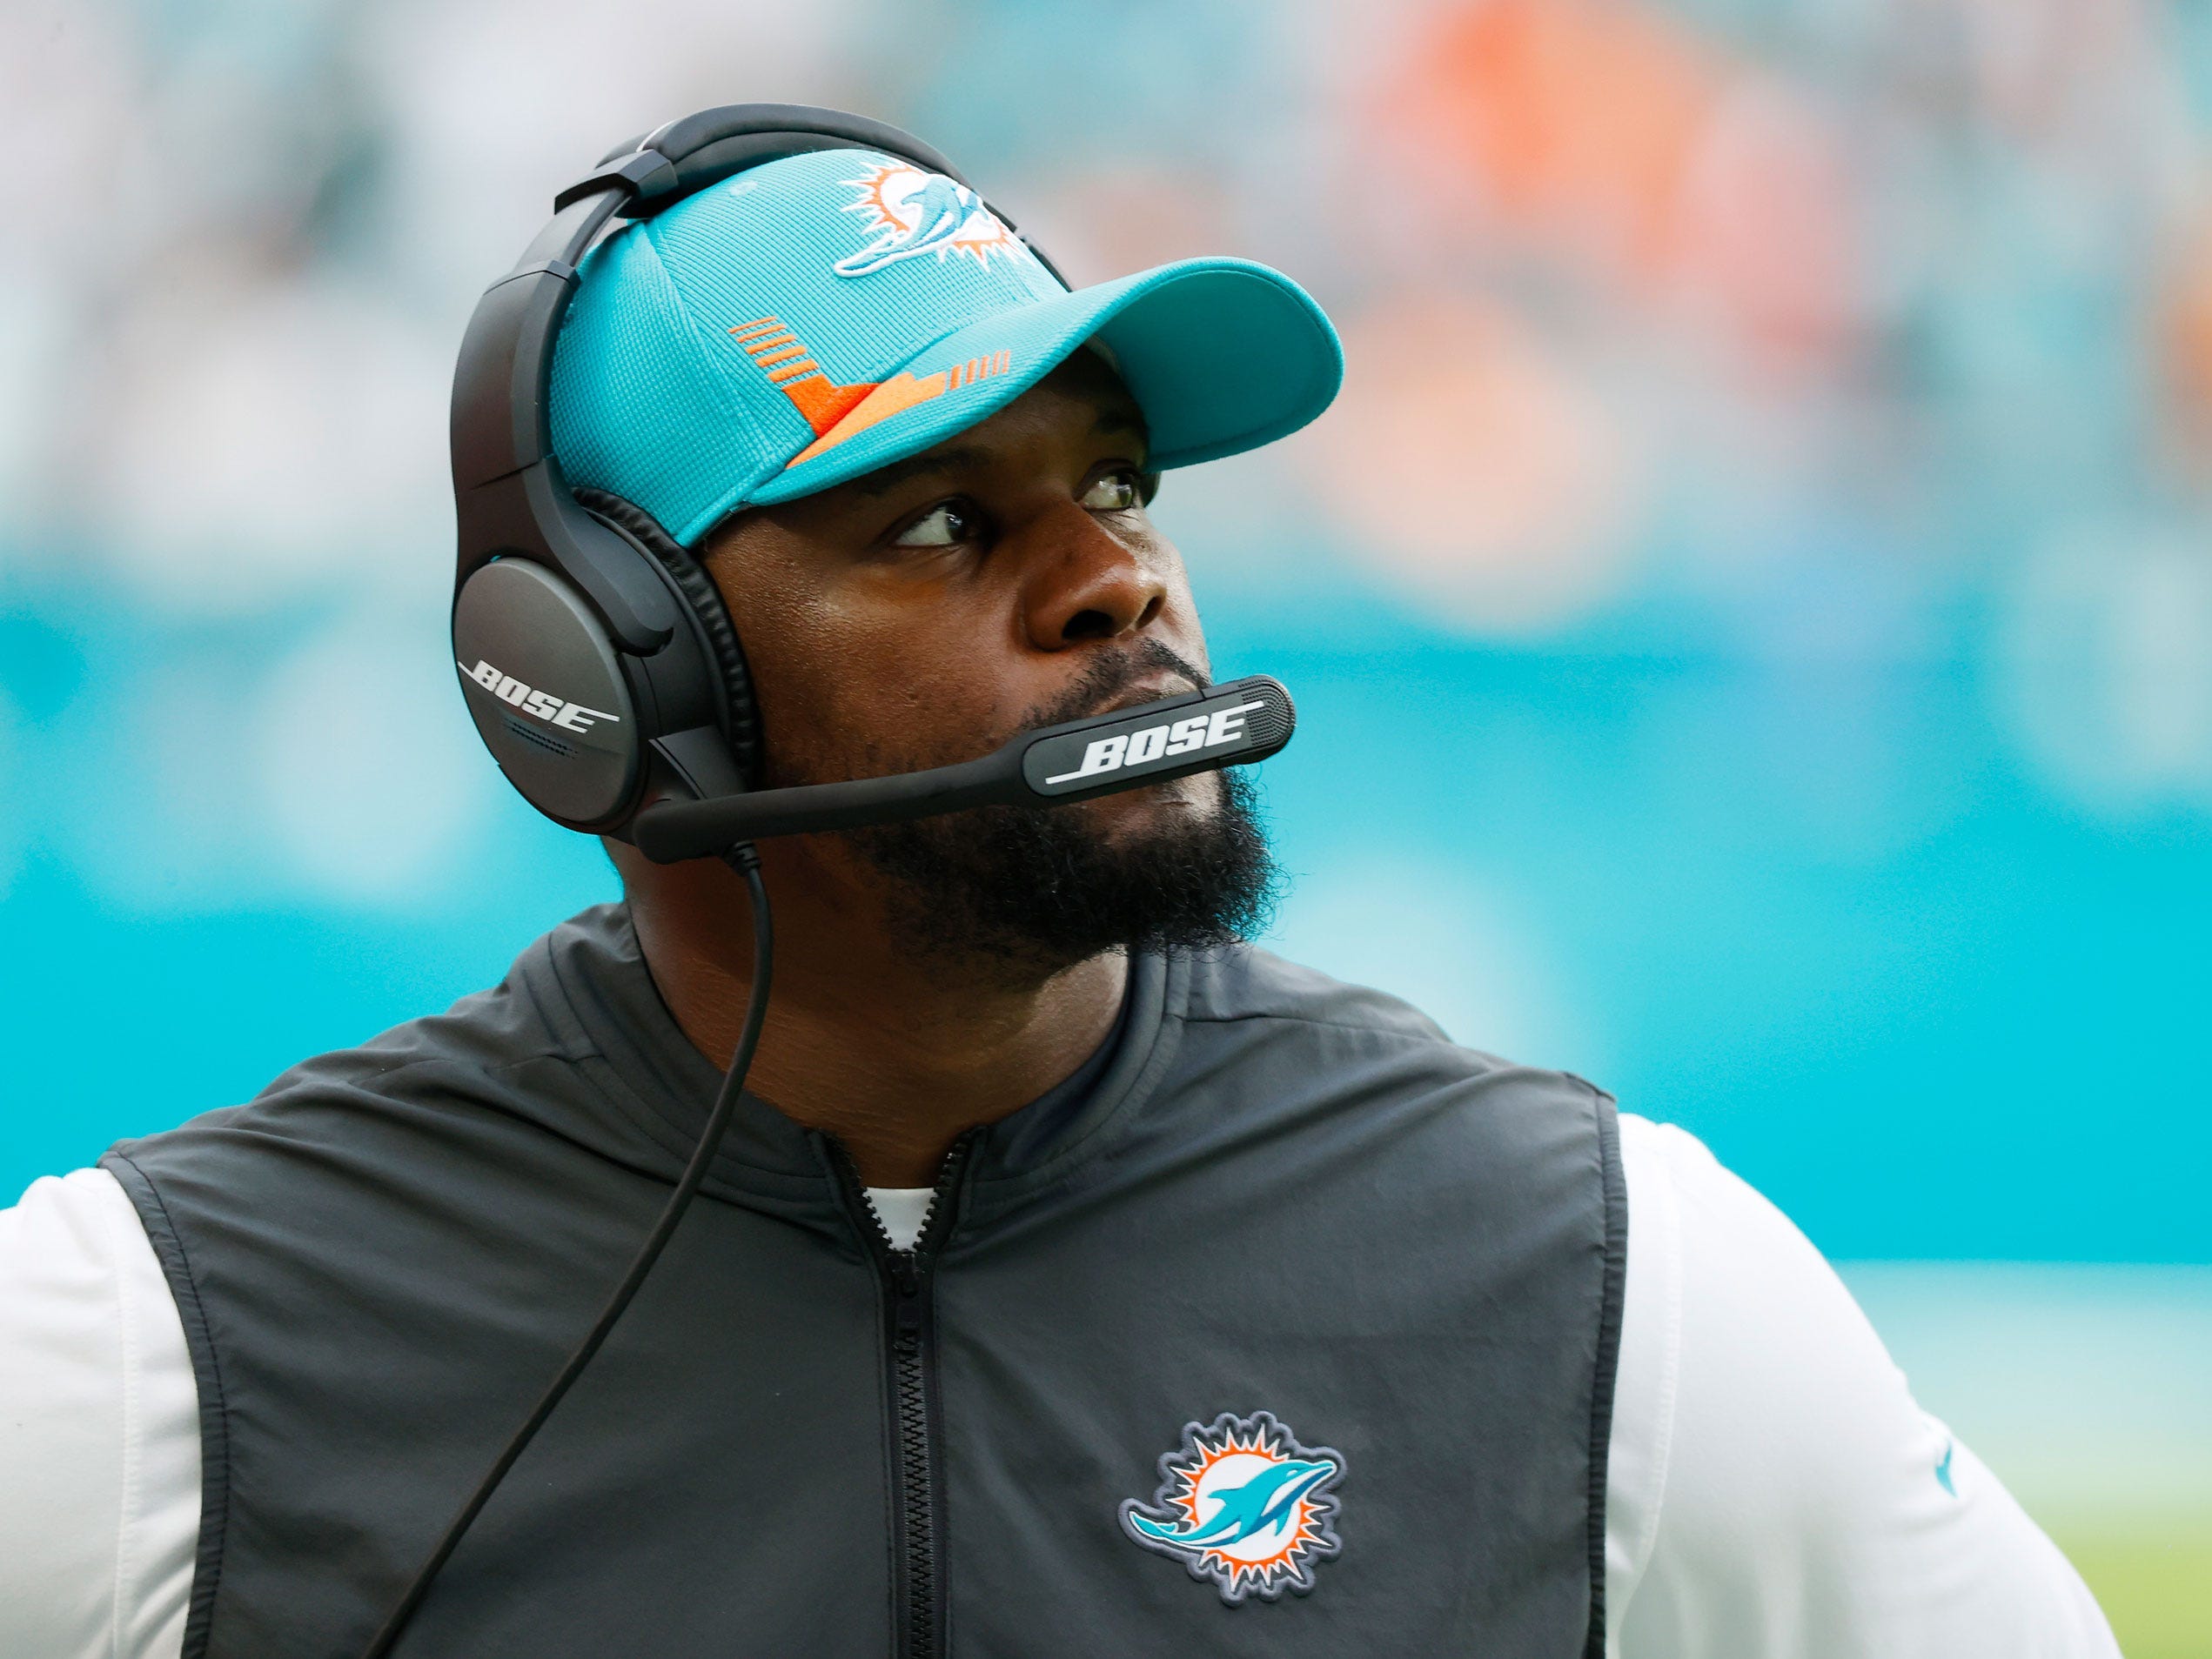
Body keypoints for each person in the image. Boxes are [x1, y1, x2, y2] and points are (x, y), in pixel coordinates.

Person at [0, 117, 2118, 1659]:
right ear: (621, 680)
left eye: (1112, 481)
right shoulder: (156, 1347)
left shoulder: (1605, 1276)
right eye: (937, 519)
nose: (1117, 575)